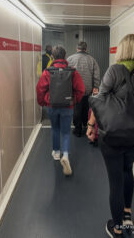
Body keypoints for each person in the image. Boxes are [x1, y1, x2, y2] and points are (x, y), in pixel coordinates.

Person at [87, 34, 134, 238]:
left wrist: (91, 126)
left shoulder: (114, 71)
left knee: (115, 181)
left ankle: (117, 228)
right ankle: (127, 215)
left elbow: (100, 102)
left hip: (113, 138)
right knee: (128, 170)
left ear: (123, 50)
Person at [37, 45, 85, 176]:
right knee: (66, 132)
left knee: (55, 129)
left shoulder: (47, 72)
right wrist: (73, 101)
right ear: (65, 56)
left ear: (52, 56)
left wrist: (43, 102)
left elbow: (40, 89)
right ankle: (65, 155)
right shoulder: (73, 72)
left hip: (52, 106)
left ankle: (56, 153)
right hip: (67, 107)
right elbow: (81, 89)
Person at [67, 41, 100, 137]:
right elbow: (96, 75)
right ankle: (86, 126)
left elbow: (66, 75)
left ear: (77, 48)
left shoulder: (70, 59)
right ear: (86, 49)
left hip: (75, 90)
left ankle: (77, 130)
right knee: (86, 108)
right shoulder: (92, 60)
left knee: (76, 109)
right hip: (88, 89)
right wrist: (96, 86)